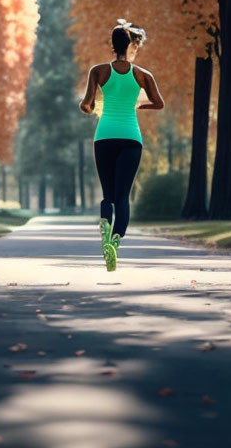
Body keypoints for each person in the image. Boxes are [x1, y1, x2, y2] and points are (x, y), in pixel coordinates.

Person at [79, 18, 164, 271]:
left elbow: (86, 103)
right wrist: (139, 104)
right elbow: (158, 103)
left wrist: (90, 107)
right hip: (131, 138)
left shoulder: (98, 71)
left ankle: (105, 228)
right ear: (130, 44)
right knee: (123, 196)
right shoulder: (142, 74)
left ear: (112, 45)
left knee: (108, 195)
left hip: (104, 137)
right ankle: (114, 243)